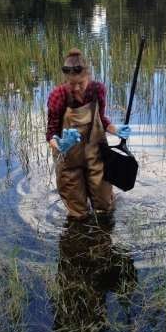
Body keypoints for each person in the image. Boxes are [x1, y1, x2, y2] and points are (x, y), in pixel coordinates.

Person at [47, 48, 131, 220]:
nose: (77, 89)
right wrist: (60, 143)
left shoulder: (97, 90)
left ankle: (102, 238)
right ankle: (80, 238)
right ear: (66, 80)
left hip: (95, 153)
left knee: (104, 206)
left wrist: (115, 129)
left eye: (81, 83)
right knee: (79, 214)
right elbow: (50, 133)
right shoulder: (58, 96)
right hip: (68, 158)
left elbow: (101, 119)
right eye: (72, 84)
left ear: (88, 77)